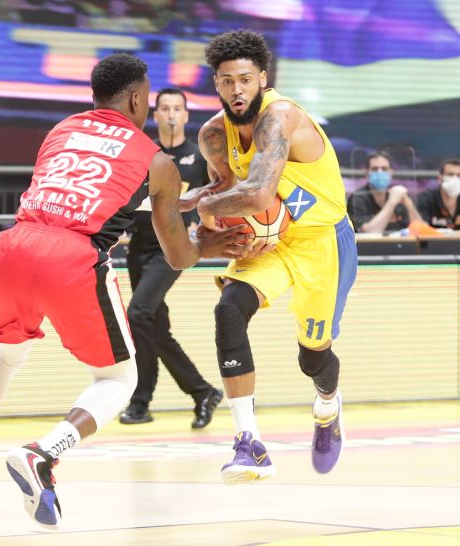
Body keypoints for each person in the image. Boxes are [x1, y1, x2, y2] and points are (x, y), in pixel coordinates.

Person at [0, 53, 247, 528]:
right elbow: (179, 256)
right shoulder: (156, 159)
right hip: (72, 258)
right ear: (137, 99)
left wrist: (181, 200)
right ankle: (43, 453)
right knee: (119, 380)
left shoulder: (62, 130)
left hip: (13, 247)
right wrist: (208, 243)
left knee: (6, 357)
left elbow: (93, 191)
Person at [195, 29, 358, 483]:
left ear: (263, 79)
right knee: (229, 310)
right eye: (227, 81)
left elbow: (257, 194)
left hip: (323, 243)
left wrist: (206, 210)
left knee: (313, 358)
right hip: (273, 242)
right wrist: (214, 215)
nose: (237, 89)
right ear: (216, 83)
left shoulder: (280, 116)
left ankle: (327, 406)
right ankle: (249, 443)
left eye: (245, 79)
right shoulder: (214, 135)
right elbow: (230, 194)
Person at [119, 88, 224, 428]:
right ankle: (202, 392)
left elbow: (215, 196)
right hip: (139, 247)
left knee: (138, 314)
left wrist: (204, 225)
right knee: (154, 327)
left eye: (177, 108)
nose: (171, 114)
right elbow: (128, 198)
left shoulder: (197, 157)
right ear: (156, 115)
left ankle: (140, 400)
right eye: (165, 108)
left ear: (186, 115)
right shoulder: (145, 153)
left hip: (171, 249)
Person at [347, 152, 422, 233]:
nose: (380, 172)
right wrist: (391, 203)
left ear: (391, 173)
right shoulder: (358, 198)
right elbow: (369, 232)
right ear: (366, 173)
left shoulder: (397, 195)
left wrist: (409, 205)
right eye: (375, 169)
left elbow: (421, 230)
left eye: (384, 169)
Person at [416, 158, 460, 230]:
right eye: (450, 175)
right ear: (440, 178)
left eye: (459, 175)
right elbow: (420, 228)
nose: (455, 179)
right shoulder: (426, 198)